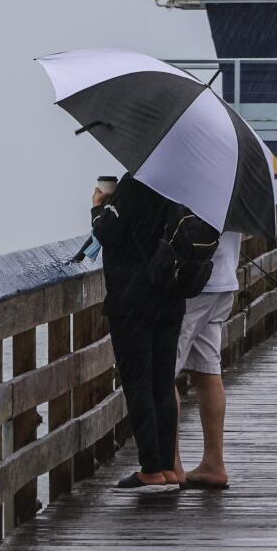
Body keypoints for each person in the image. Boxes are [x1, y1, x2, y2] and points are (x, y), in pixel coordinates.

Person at [90, 175, 183, 493]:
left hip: (133, 300)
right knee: (162, 382)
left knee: (138, 383)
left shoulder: (138, 183)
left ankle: (151, 470)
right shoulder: (181, 185)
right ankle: (168, 468)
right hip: (171, 297)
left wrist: (100, 207)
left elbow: (107, 233)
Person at [173, 230, 242, 490]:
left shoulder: (194, 189)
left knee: (161, 373)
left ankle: (171, 465)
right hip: (223, 280)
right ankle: (213, 464)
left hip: (192, 282)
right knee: (207, 372)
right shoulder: (234, 190)